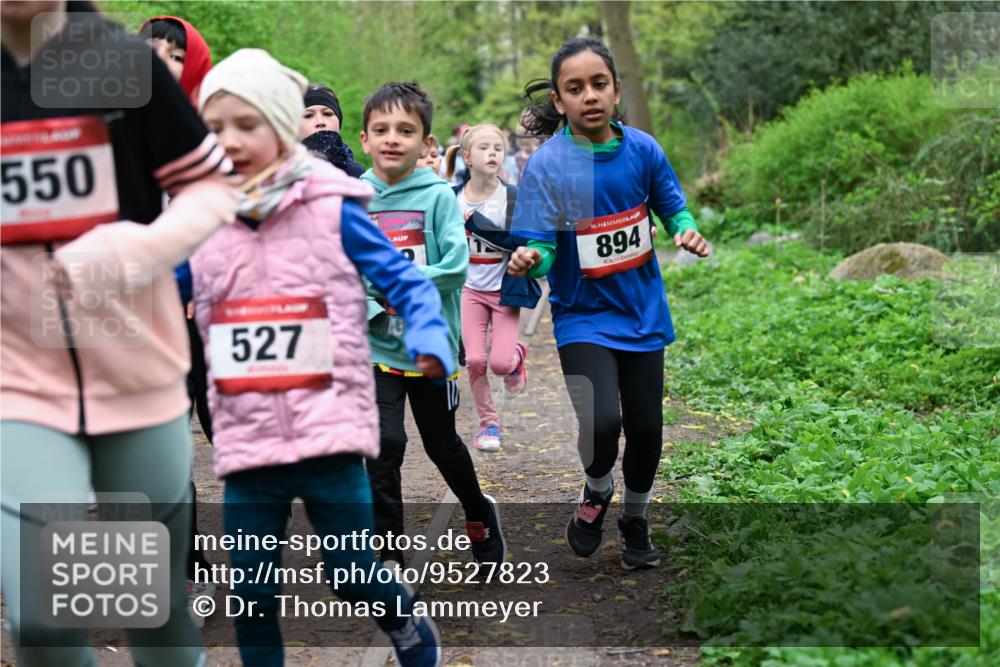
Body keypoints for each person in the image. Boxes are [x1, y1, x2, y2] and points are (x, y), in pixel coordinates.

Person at [191, 51, 445, 667]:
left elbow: (403, 281)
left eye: (246, 124)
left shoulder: (332, 204)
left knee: (352, 570)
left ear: (283, 127)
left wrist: (431, 335)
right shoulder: (198, 217)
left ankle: (407, 625)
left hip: (329, 435)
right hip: (249, 441)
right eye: (216, 127)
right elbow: (154, 287)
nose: (230, 140)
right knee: (249, 595)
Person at [1, 2, 235, 665]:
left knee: (151, 613)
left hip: (138, 373)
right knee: (41, 614)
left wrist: (138, 251)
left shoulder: (118, 63)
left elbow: (213, 190)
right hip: (17, 383)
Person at [507, 37, 710, 571]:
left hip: (642, 313)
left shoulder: (643, 150)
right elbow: (546, 248)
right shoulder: (550, 166)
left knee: (645, 426)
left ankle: (635, 517)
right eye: (576, 89)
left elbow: (672, 206)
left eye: (599, 84)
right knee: (600, 421)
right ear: (559, 101)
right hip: (582, 317)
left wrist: (685, 231)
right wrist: (532, 257)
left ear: (617, 90)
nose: (589, 96)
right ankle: (597, 491)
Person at [360, 82, 506, 570]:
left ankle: (478, 510)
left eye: (406, 129)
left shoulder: (439, 198)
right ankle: (391, 561)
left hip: (431, 346)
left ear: (426, 142)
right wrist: (374, 305)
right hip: (376, 346)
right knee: (384, 448)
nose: (392, 138)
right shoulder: (354, 198)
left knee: (441, 445)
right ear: (364, 139)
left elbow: (455, 266)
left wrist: (395, 279)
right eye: (381, 129)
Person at [140, 14, 217, 620]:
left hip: (216, 322)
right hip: (145, 319)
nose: (158, 63)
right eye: (148, 54)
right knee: (165, 452)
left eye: (172, 55)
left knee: (235, 441)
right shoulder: (114, 134)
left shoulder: (216, 133)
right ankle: (189, 568)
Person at [443, 123, 538, 451]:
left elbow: (526, 239)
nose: (492, 153)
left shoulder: (512, 197)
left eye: (497, 148)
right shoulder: (451, 199)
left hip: (504, 291)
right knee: (474, 361)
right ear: (467, 156)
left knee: (499, 363)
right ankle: (489, 424)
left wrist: (526, 252)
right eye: (484, 148)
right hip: (469, 292)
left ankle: (516, 357)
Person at [299, 83, 366, 177]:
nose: (320, 121)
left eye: (327, 114)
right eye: (308, 115)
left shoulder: (360, 176)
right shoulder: (283, 175)